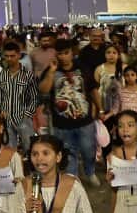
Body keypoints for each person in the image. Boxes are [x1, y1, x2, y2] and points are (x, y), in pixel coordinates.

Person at [38, 41, 98, 184]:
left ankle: (90, 172)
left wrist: (99, 108)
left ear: (72, 52)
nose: (63, 57)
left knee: (89, 150)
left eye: (66, 53)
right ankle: (73, 179)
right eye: (60, 53)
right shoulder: (51, 70)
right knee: (68, 152)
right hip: (62, 123)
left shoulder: (82, 68)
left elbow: (93, 89)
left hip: (85, 120)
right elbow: (44, 90)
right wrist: (52, 72)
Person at [0, 41, 39, 153]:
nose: (9, 59)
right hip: (6, 119)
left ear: (18, 55)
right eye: (7, 56)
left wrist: (27, 114)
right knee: (8, 151)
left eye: (12, 56)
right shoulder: (2, 75)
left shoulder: (28, 75)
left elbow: (34, 97)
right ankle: (13, 170)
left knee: (31, 149)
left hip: (23, 118)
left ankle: (34, 171)